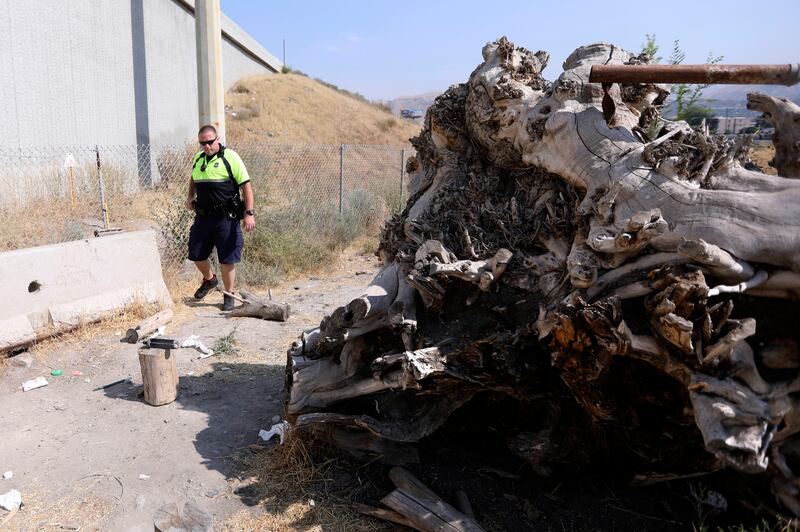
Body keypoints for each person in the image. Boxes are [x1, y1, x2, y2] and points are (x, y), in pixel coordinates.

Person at [185, 125, 256, 311]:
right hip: (203, 217)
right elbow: (193, 178)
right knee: (196, 253)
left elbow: (246, 186)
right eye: (203, 143)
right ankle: (210, 280)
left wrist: (249, 213)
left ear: (217, 139)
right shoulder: (198, 158)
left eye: (210, 142)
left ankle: (229, 294)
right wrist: (190, 197)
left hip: (227, 218)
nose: (207, 146)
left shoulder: (230, 157)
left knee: (227, 259)